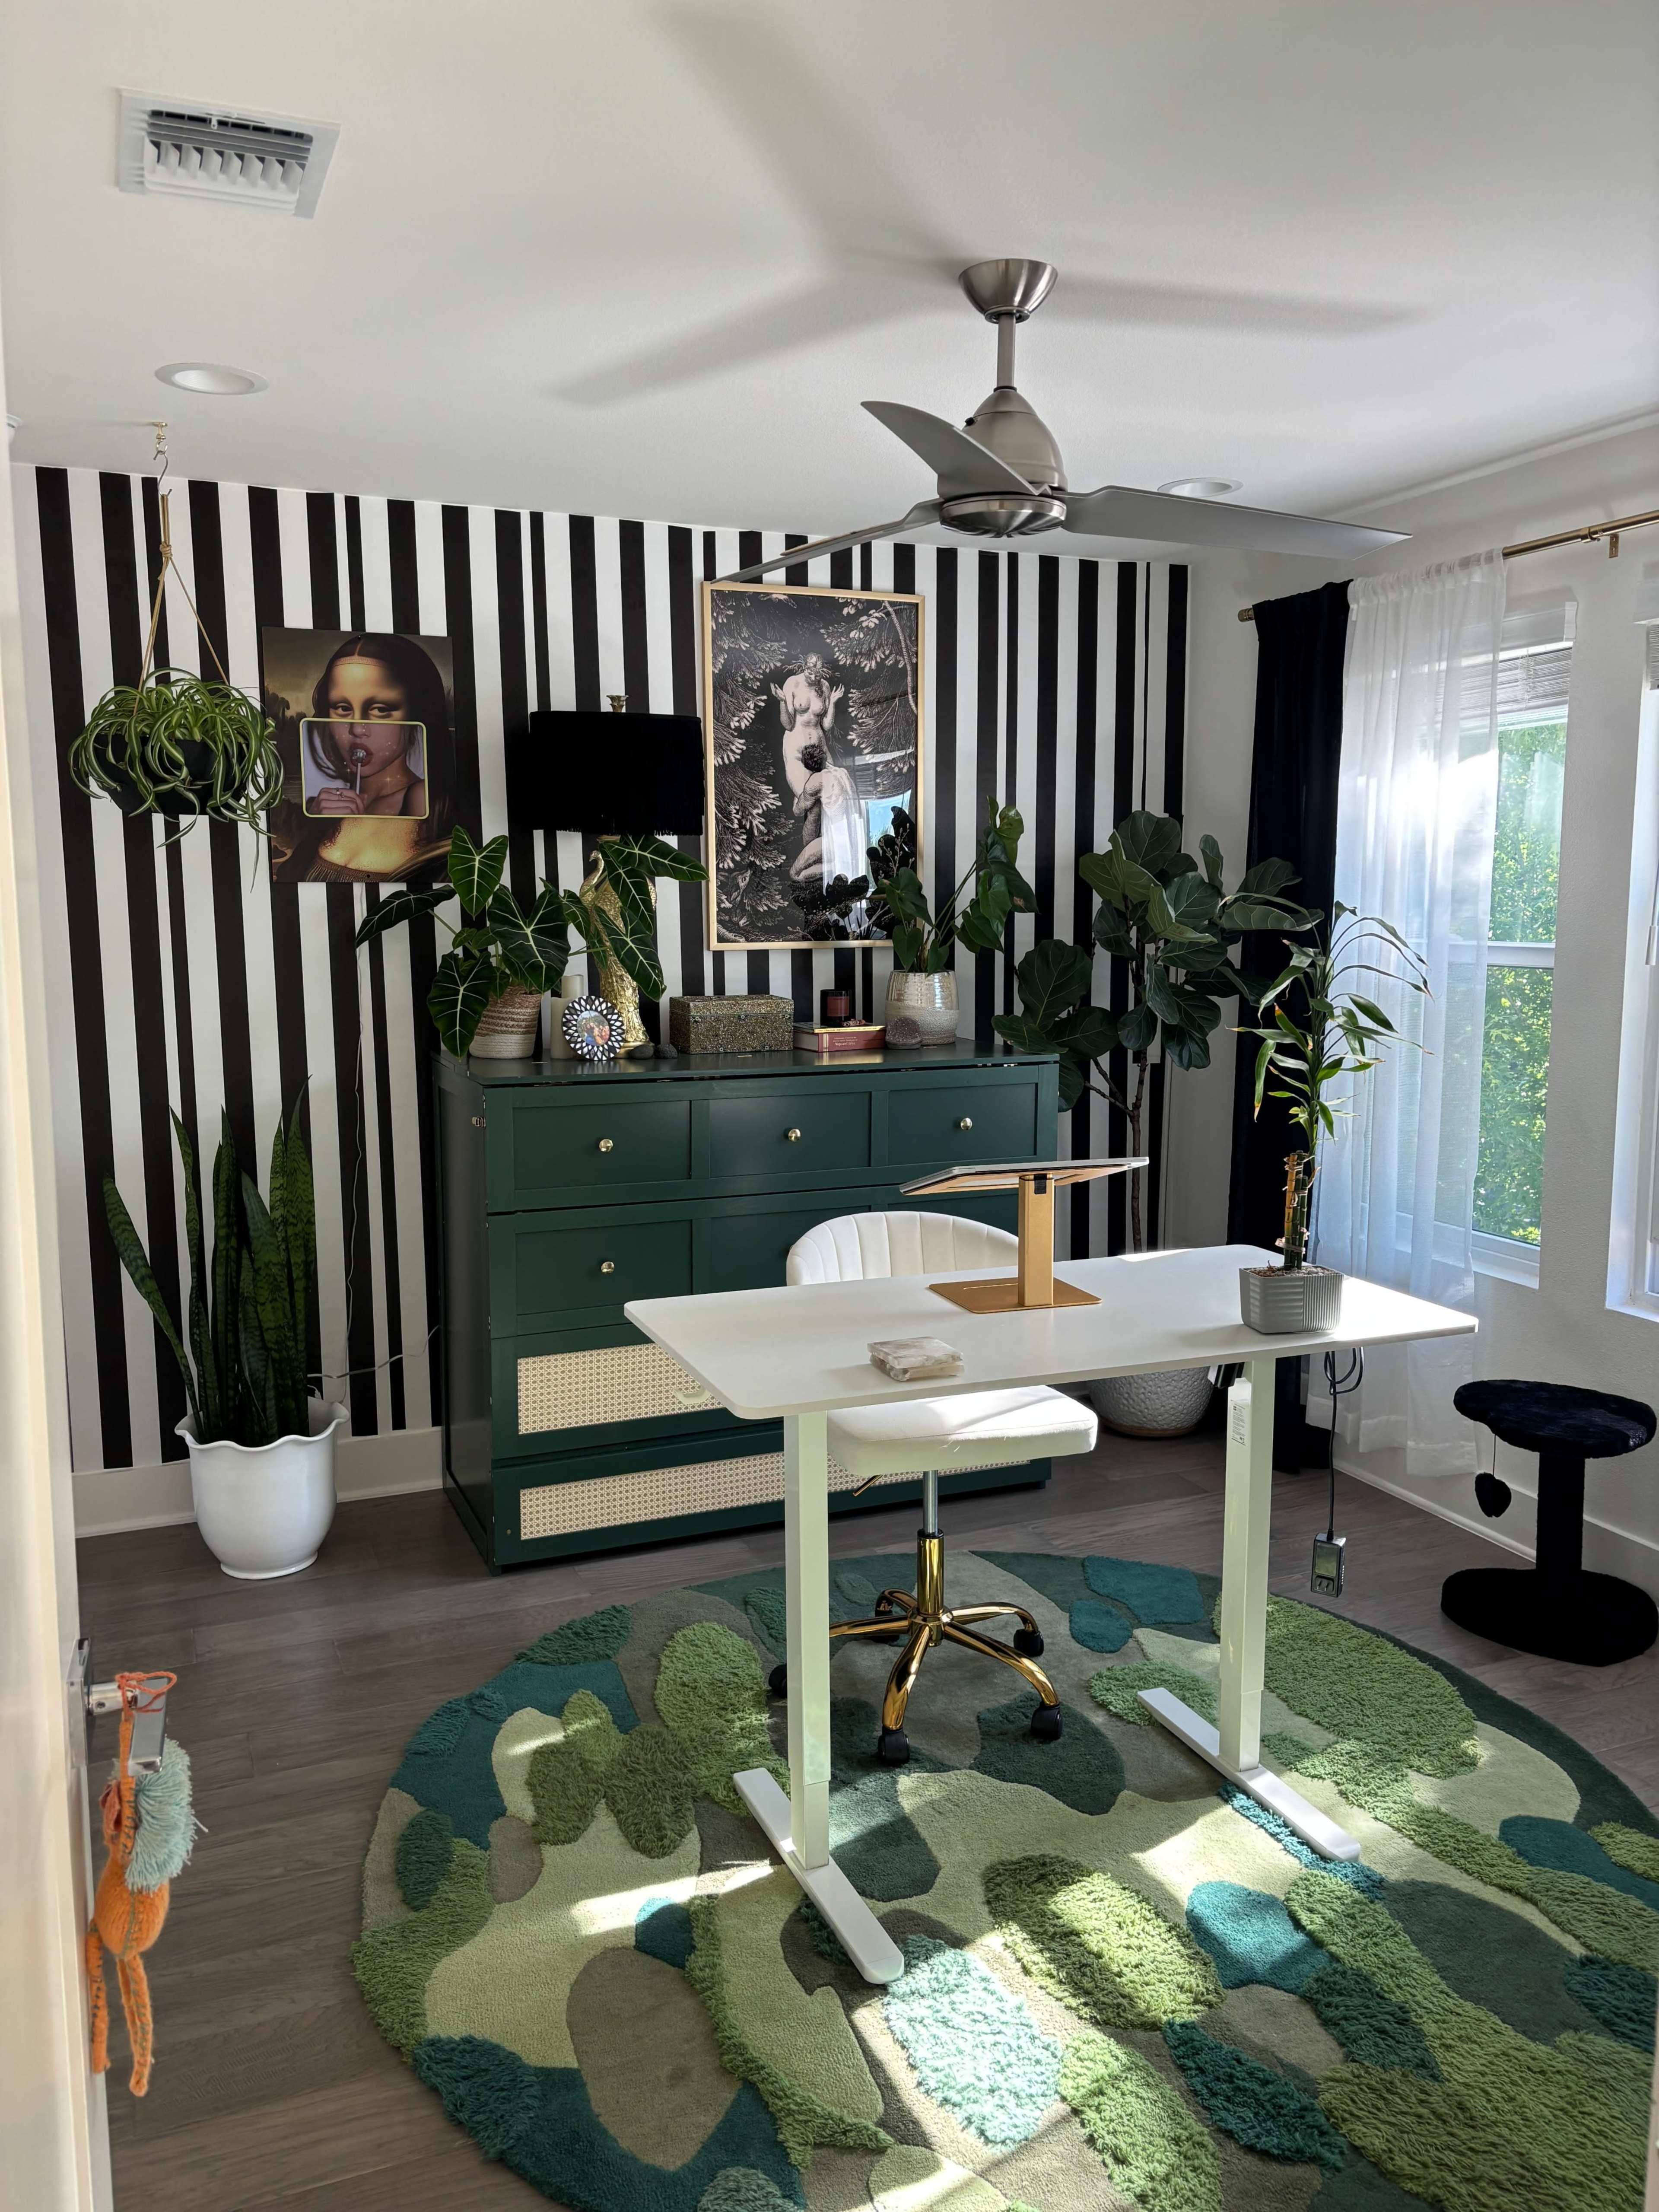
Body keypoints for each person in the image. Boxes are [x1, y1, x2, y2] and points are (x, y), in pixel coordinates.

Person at [273, 633, 457, 883]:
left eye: (381, 710)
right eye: (343, 708)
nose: (357, 729)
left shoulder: (425, 802)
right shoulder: (325, 807)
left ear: (419, 711)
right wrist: (314, 826)